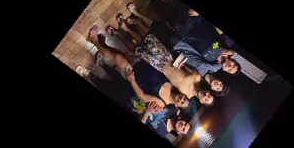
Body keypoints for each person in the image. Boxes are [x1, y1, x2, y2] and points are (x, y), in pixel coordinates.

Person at [87, 26, 216, 107]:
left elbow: (148, 97)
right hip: (164, 61)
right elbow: (184, 65)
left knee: (122, 55)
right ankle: (119, 31)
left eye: (206, 99)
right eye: (208, 95)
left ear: (202, 102)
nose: (205, 96)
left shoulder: (185, 95)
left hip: (155, 68)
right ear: (209, 91)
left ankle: (98, 41)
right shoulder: (197, 77)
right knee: (141, 43)